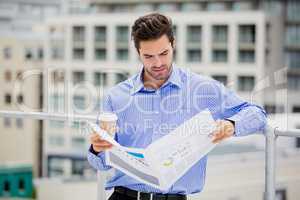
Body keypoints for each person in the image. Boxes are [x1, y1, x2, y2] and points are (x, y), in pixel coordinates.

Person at [88, 13, 267, 200]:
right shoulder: (116, 96)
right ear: (138, 53)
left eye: (164, 53)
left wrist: (232, 124)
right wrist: (97, 148)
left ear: (173, 44)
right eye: (148, 56)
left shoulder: (202, 89)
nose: (157, 63)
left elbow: (257, 113)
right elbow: (101, 164)